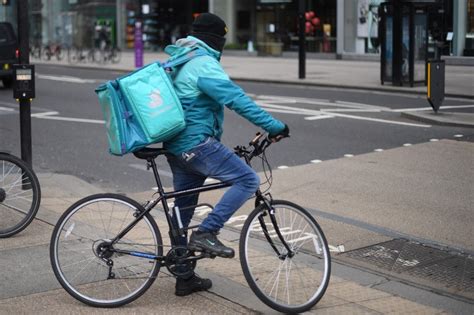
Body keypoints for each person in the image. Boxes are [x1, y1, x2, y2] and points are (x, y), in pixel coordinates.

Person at [163, 13, 289, 296]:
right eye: (222, 39)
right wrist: (274, 126)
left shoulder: (181, 59)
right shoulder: (203, 64)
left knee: (182, 211)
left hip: (176, 147)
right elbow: (235, 99)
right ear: (216, 39)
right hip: (196, 145)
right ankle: (207, 232)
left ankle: (184, 277)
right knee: (247, 180)